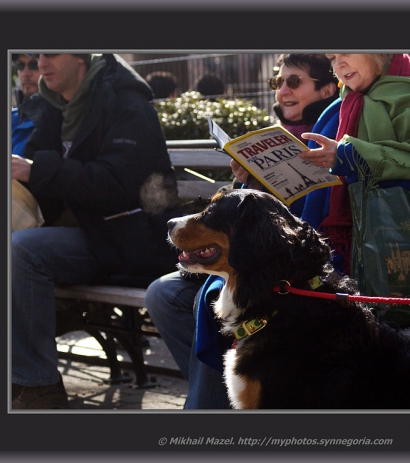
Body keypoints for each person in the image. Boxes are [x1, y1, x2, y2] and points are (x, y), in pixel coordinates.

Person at [145, 54, 339, 409]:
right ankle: (230, 390)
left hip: (284, 263)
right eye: (277, 82)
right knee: (162, 293)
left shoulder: (335, 134)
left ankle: (213, 404)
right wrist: (243, 178)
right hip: (248, 254)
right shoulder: (273, 134)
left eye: (293, 82)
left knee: (211, 300)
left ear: (327, 88)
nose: (283, 91)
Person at [11, 53, 180, 409]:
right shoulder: (53, 107)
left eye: (51, 53)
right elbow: (37, 170)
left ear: (81, 58)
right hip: (85, 234)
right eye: (36, 55)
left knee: (22, 249)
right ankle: (14, 375)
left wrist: (36, 171)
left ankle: (38, 386)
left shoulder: (127, 103)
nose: (41, 63)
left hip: (128, 237)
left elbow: (119, 184)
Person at [299, 54, 410, 327]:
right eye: (332, 58)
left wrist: (351, 156)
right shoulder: (339, 107)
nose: (337, 65)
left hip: (403, 255)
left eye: (345, 52)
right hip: (334, 251)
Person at [11, 54, 44, 156]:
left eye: (34, 65)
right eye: (20, 66)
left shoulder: (60, 116)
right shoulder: (13, 117)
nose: (26, 73)